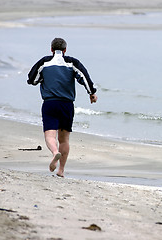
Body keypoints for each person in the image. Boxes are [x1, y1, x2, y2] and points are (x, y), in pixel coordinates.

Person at [27, 37, 97, 177]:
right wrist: (92, 93)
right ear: (65, 50)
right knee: (64, 140)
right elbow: (84, 77)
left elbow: (32, 79)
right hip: (67, 105)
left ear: (51, 49)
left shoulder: (44, 62)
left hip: (50, 103)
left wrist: (43, 79)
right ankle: (61, 170)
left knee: (50, 135)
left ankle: (54, 152)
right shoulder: (72, 62)